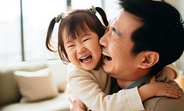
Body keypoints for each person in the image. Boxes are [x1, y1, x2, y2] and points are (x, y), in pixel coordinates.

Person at [45, 6, 181, 111]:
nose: (80, 49)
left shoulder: (105, 57)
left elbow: (165, 61)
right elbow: (103, 106)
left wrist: (164, 73)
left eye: (86, 39)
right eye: (70, 46)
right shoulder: (78, 76)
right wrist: (148, 90)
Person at [99, 0, 184, 111]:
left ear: (146, 60)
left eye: (114, 33)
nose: (101, 41)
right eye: (107, 29)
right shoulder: (106, 80)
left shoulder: (163, 106)